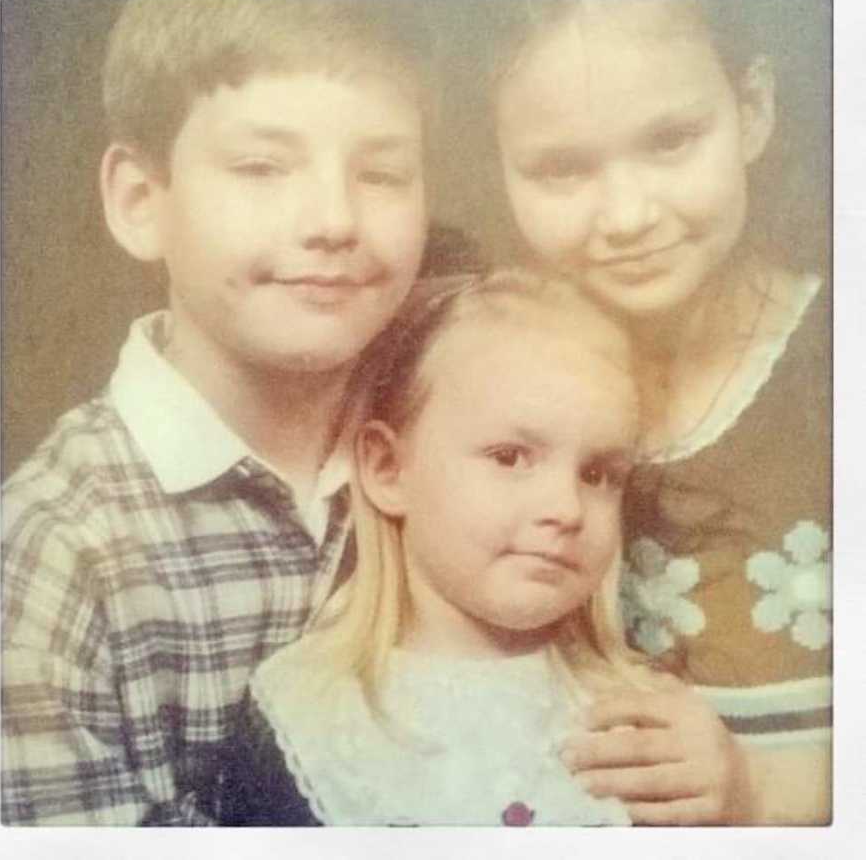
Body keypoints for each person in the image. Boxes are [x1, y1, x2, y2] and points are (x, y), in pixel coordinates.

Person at [1, 0, 433, 825]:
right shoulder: (55, 554)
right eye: (262, 169)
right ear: (140, 201)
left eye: (381, 174)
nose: (336, 221)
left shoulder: (454, 444)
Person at [210, 269, 748, 826]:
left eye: (597, 473)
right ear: (388, 469)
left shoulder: (647, 718)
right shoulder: (307, 716)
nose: (565, 508)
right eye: (510, 457)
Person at [490, 0, 830, 823]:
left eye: (672, 141)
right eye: (563, 169)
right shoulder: (501, 382)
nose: (629, 216)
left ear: (752, 111)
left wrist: (756, 798)